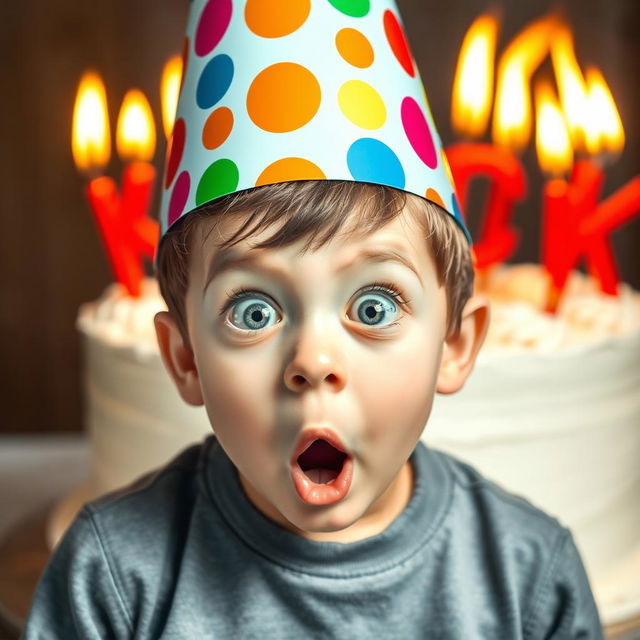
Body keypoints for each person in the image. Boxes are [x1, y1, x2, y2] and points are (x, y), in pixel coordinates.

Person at [22, 0, 604, 637]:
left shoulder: (528, 577)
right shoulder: (109, 577)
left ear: (456, 344)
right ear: (184, 357)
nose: (313, 361)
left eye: (373, 307)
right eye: (253, 311)